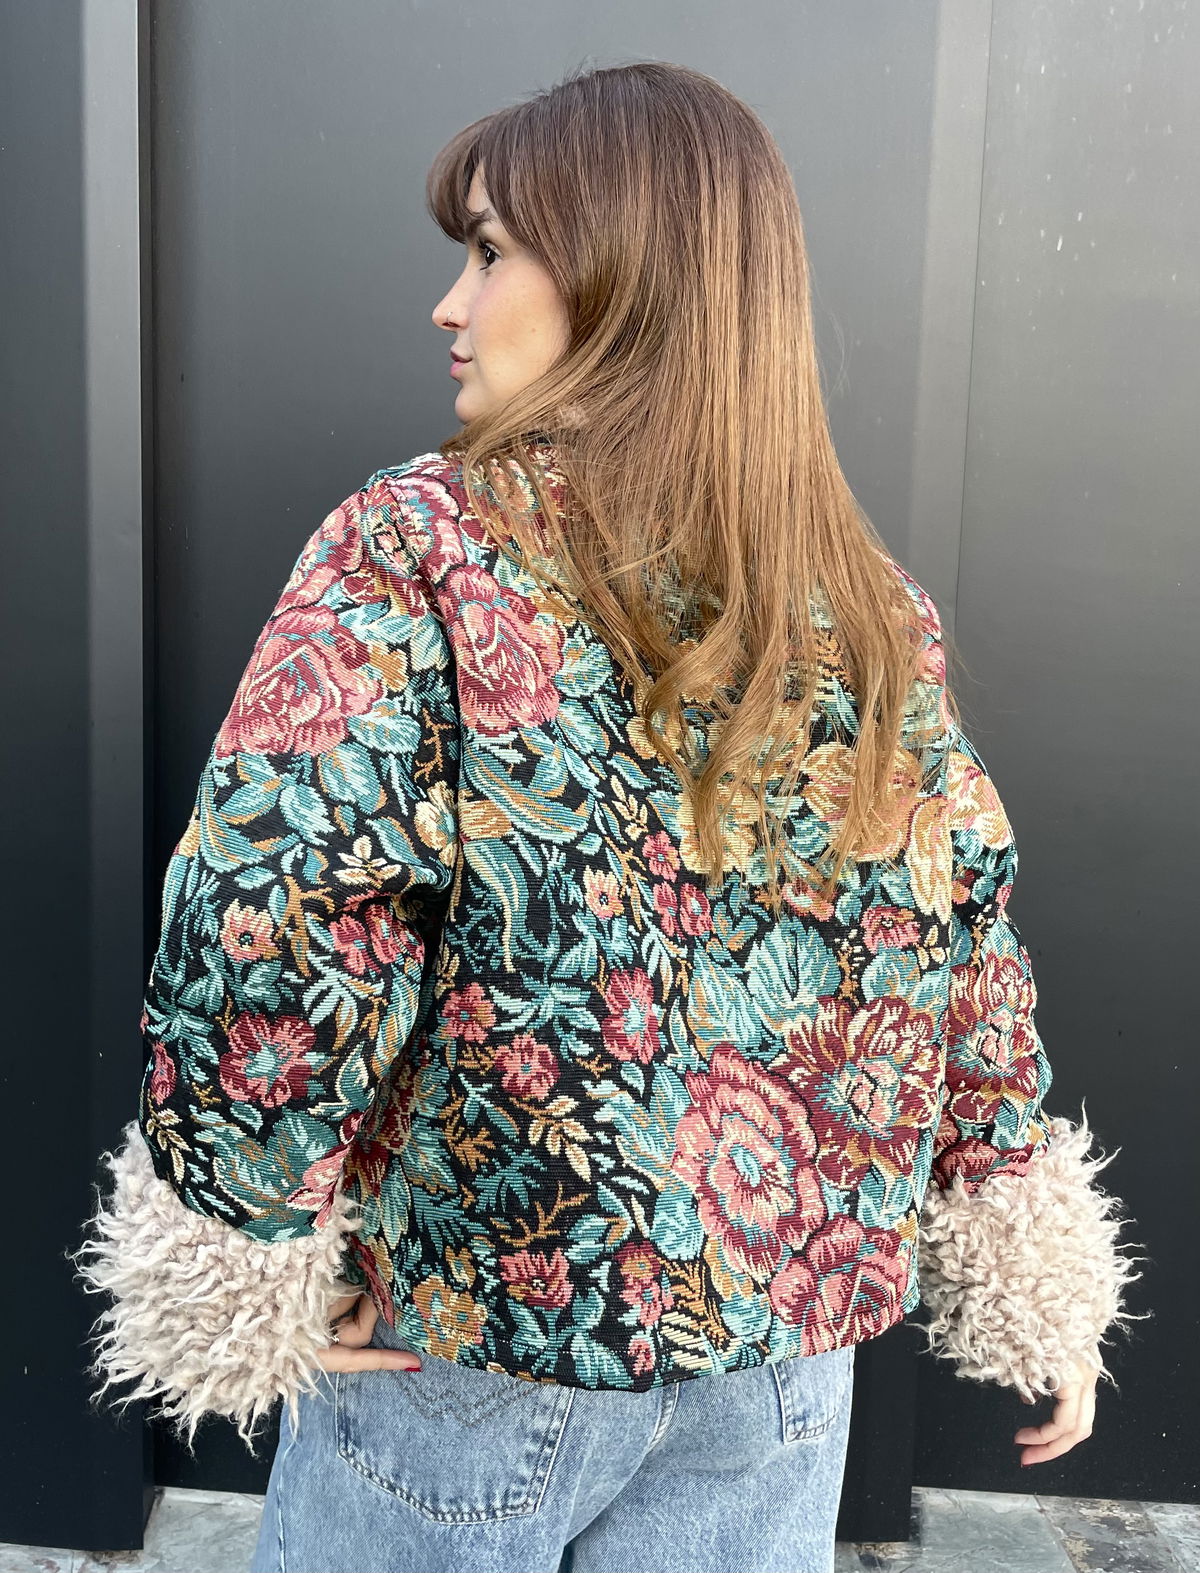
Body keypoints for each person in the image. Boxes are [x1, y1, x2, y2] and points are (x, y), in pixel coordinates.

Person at [75, 60, 1147, 1573]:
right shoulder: (856, 598)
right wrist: (1034, 1276)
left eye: (490, 251)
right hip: (775, 1370)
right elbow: (955, 938)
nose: (450, 305)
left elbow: (284, 907)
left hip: (479, 1343)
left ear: (627, 276)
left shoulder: (423, 547)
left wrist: (246, 1248)